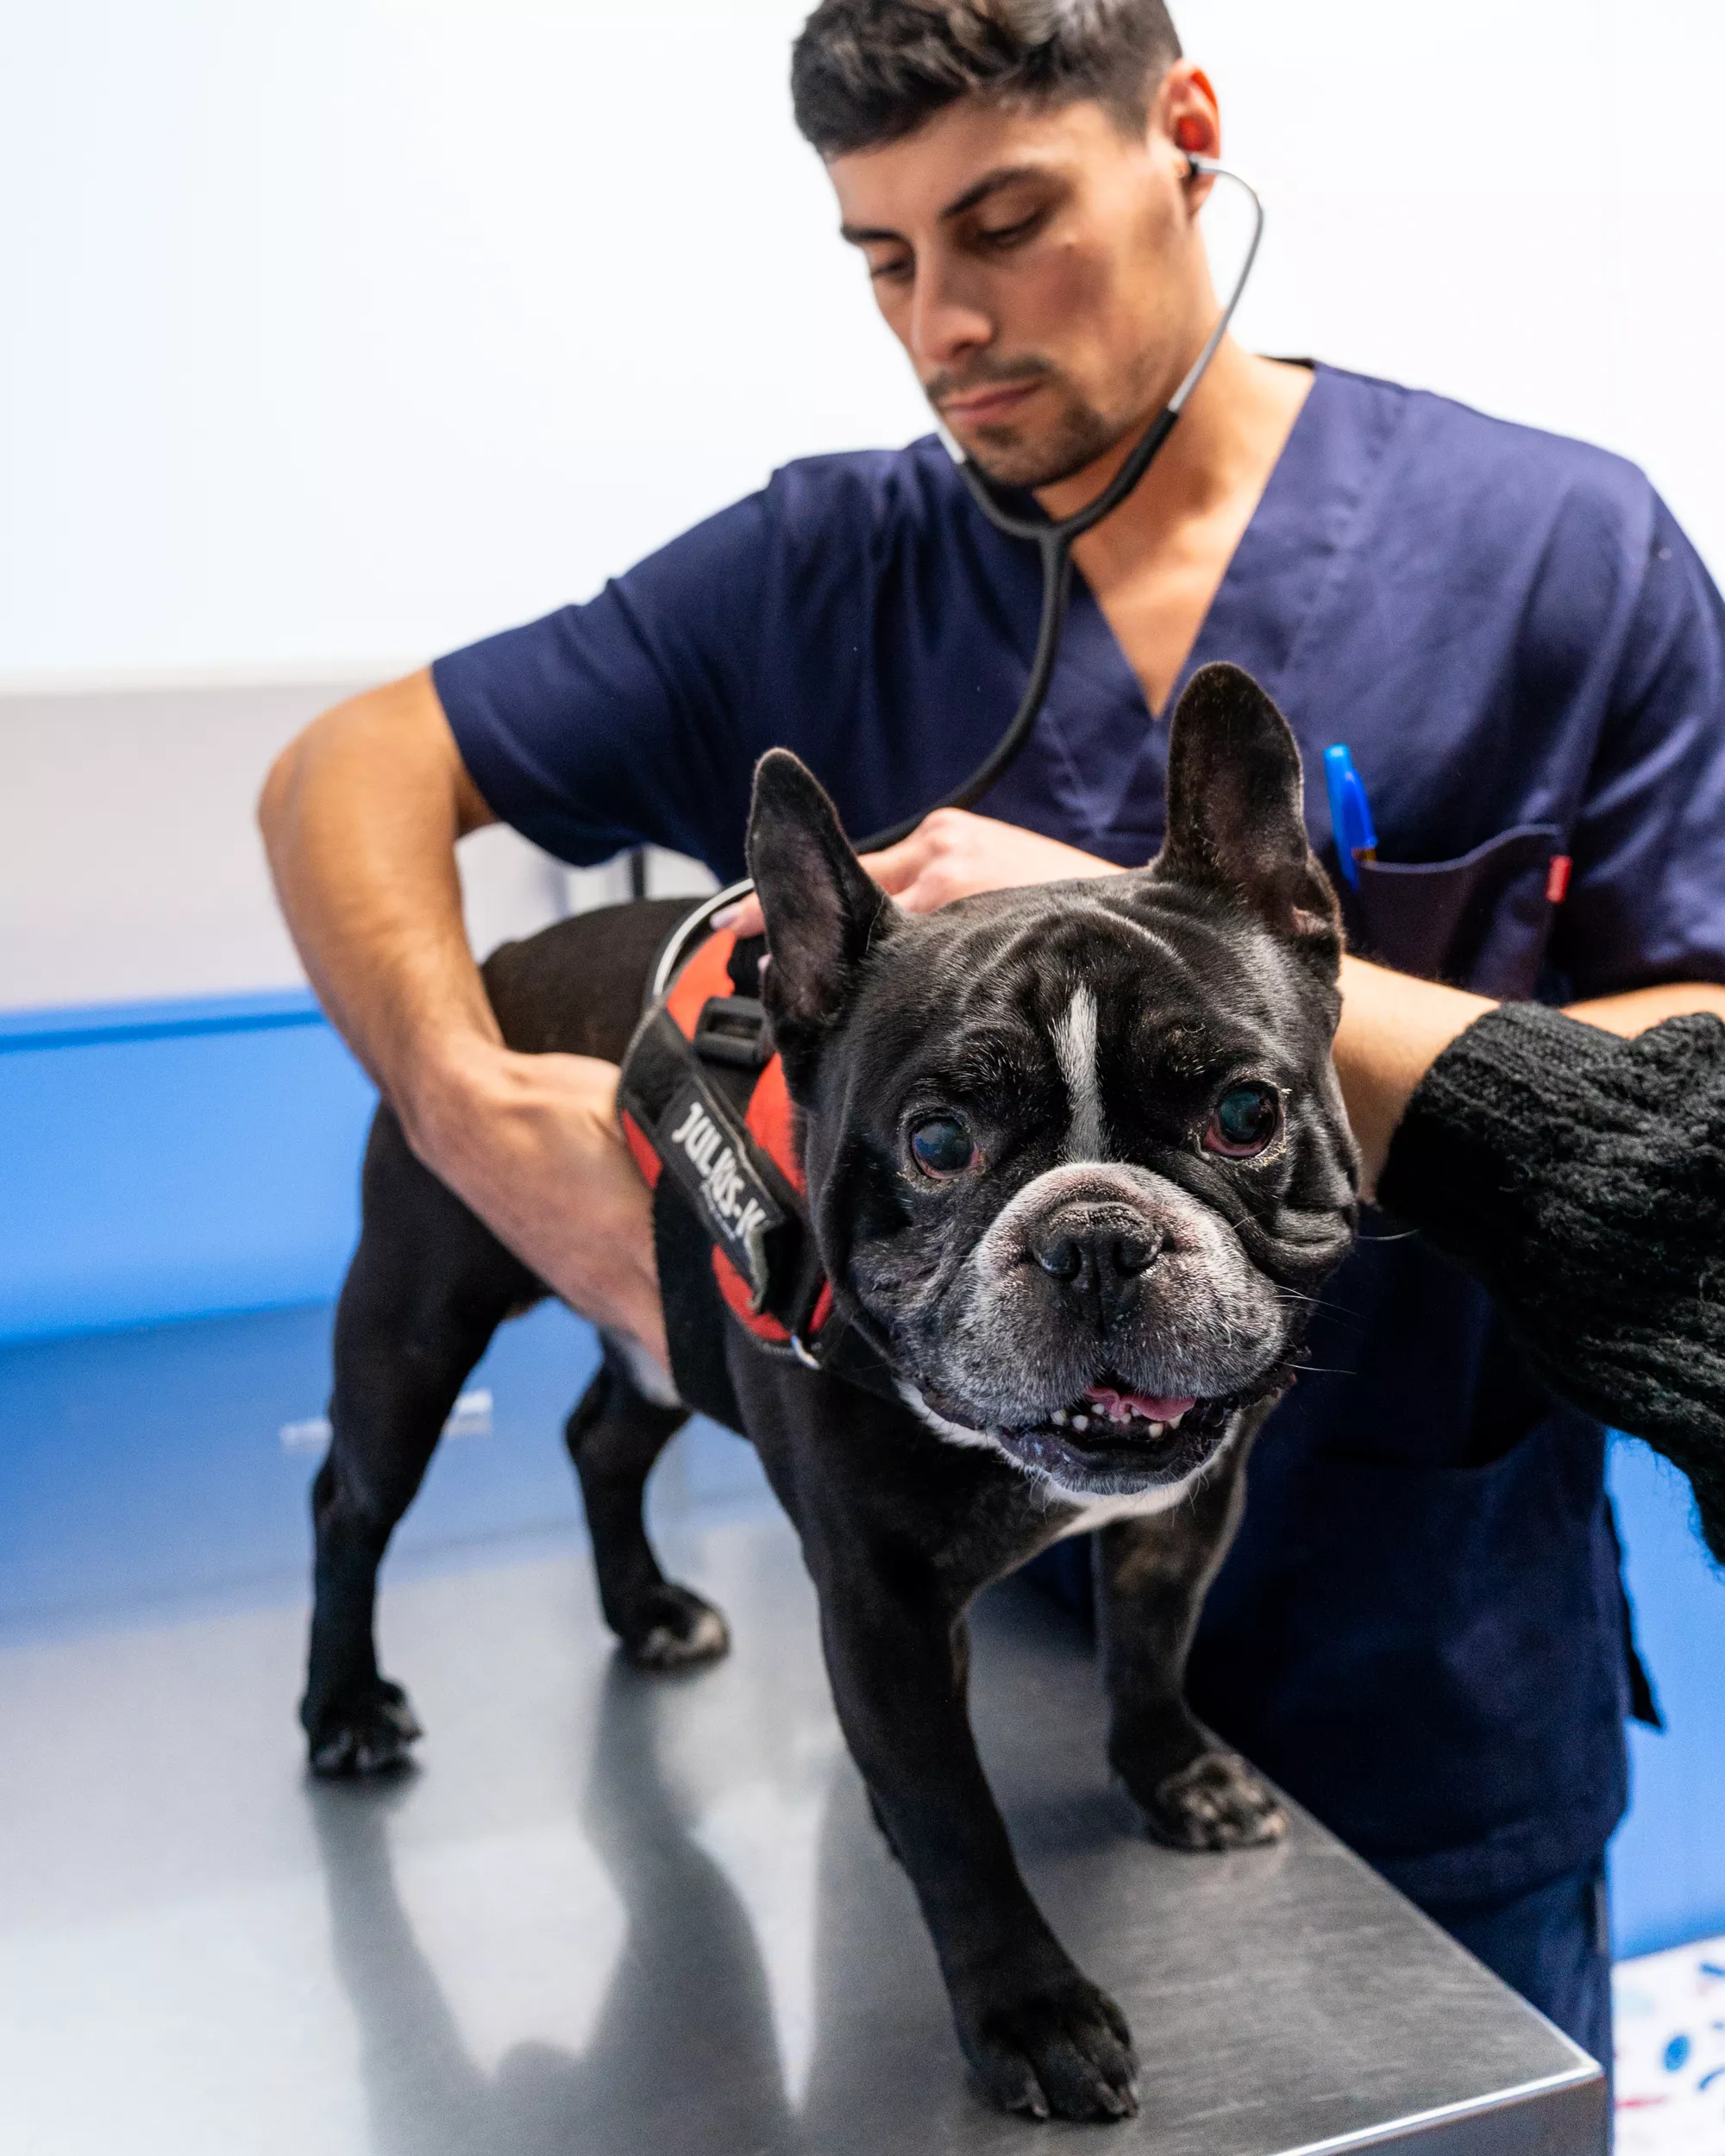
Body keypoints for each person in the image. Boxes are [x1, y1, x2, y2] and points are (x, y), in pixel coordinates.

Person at [260, 0, 1725, 2065]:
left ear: (1187, 137)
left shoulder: (1557, 548)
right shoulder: (816, 564)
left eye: (1006, 220)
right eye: (880, 259)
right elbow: (347, 768)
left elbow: (1700, 1072)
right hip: (944, 1676)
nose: (942, 318)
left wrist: (1220, 963)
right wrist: (467, 1104)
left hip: (1439, 1664)